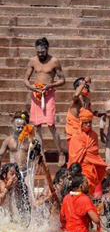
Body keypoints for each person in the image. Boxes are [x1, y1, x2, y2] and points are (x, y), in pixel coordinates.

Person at [23, 37, 66, 165]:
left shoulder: (54, 61)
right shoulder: (33, 61)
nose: (40, 54)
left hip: (48, 94)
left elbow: (63, 79)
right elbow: (26, 79)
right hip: (36, 95)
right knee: (37, 127)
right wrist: (31, 87)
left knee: (51, 125)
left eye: (42, 52)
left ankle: (61, 153)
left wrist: (50, 86)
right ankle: (40, 154)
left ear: (47, 49)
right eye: (38, 52)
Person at [68, 109, 108, 196]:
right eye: (86, 122)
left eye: (90, 122)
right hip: (80, 169)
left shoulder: (94, 135)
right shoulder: (75, 137)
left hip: (91, 169)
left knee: (89, 190)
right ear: (81, 122)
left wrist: (103, 165)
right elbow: (74, 156)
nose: (88, 125)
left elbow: (94, 154)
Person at [65, 77, 92, 144]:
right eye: (83, 85)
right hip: (74, 132)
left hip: (85, 131)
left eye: (86, 85)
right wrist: (85, 81)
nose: (85, 86)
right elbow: (76, 94)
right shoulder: (76, 99)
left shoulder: (87, 100)